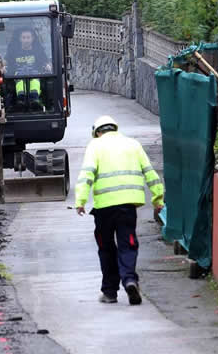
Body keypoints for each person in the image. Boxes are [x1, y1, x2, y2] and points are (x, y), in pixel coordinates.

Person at [74, 115, 164, 305]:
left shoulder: (95, 146)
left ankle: (109, 293)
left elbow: (86, 174)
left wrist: (80, 200)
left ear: (98, 132)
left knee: (106, 248)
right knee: (128, 244)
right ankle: (130, 280)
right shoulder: (133, 144)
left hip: (104, 208)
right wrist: (158, 198)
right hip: (127, 206)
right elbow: (150, 172)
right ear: (114, 128)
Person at [3, 28, 52, 102]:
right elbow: (5, 62)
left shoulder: (38, 50)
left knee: (35, 89)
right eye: (24, 37)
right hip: (18, 76)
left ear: (33, 38)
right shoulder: (13, 51)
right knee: (20, 90)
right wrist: (2, 67)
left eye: (28, 37)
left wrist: (48, 66)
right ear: (20, 39)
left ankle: (35, 101)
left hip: (35, 76)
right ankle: (21, 100)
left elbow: (46, 62)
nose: (26, 40)